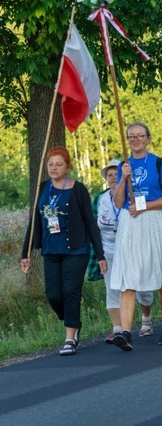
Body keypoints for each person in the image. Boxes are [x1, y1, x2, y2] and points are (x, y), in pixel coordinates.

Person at [21, 146, 107, 356]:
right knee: (53, 295)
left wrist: (101, 255)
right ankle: (70, 318)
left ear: (67, 166)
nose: (54, 168)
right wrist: (25, 253)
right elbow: (34, 222)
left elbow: (90, 222)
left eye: (59, 164)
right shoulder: (42, 188)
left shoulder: (78, 189)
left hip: (76, 250)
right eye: (51, 164)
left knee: (70, 292)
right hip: (51, 250)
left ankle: (70, 336)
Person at [111, 122, 162, 351]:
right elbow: (117, 202)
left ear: (148, 138)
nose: (135, 140)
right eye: (131, 136)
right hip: (130, 222)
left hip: (154, 220)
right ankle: (125, 332)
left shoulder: (159, 163)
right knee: (128, 275)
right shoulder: (124, 166)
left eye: (139, 136)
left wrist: (146, 206)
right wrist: (123, 179)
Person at [92, 159, 154, 343]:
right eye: (109, 175)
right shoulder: (100, 199)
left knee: (142, 288)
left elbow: (146, 219)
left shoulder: (135, 195)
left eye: (116, 174)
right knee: (112, 288)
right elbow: (93, 225)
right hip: (109, 250)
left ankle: (147, 319)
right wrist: (99, 254)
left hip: (133, 247)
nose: (112, 178)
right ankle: (117, 328)